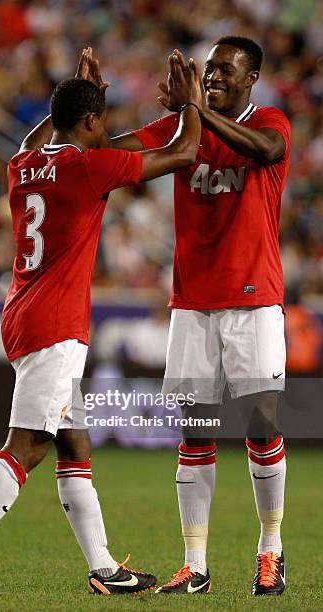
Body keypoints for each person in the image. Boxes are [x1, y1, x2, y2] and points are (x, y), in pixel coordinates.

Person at [0, 50, 202, 595]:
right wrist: (192, 103)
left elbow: (41, 143)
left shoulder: (21, 165)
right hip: (54, 325)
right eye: (100, 121)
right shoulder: (87, 168)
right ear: (93, 122)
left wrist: (75, 100)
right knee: (28, 445)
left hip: (22, 313)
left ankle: (104, 569)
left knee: (73, 444)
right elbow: (185, 151)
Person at [83, 37, 290, 596]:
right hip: (193, 304)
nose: (214, 77)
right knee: (195, 434)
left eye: (226, 70)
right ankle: (194, 565)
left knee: (261, 425)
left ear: (251, 80)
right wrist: (90, 109)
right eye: (209, 70)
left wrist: (193, 109)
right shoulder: (182, 129)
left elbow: (266, 151)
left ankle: (270, 549)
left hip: (253, 300)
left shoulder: (269, 121)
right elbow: (111, 152)